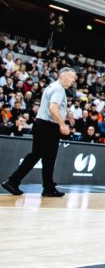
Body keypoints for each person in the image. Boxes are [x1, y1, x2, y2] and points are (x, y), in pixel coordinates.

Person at [2, 67, 76, 197]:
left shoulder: (52, 86)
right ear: (63, 76)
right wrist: (62, 124)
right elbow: (53, 108)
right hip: (48, 126)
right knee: (46, 157)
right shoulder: (59, 89)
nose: (73, 80)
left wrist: (65, 116)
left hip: (41, 124)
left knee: (39, 156)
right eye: (72, 77)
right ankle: (16, 181)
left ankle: (42, 186)